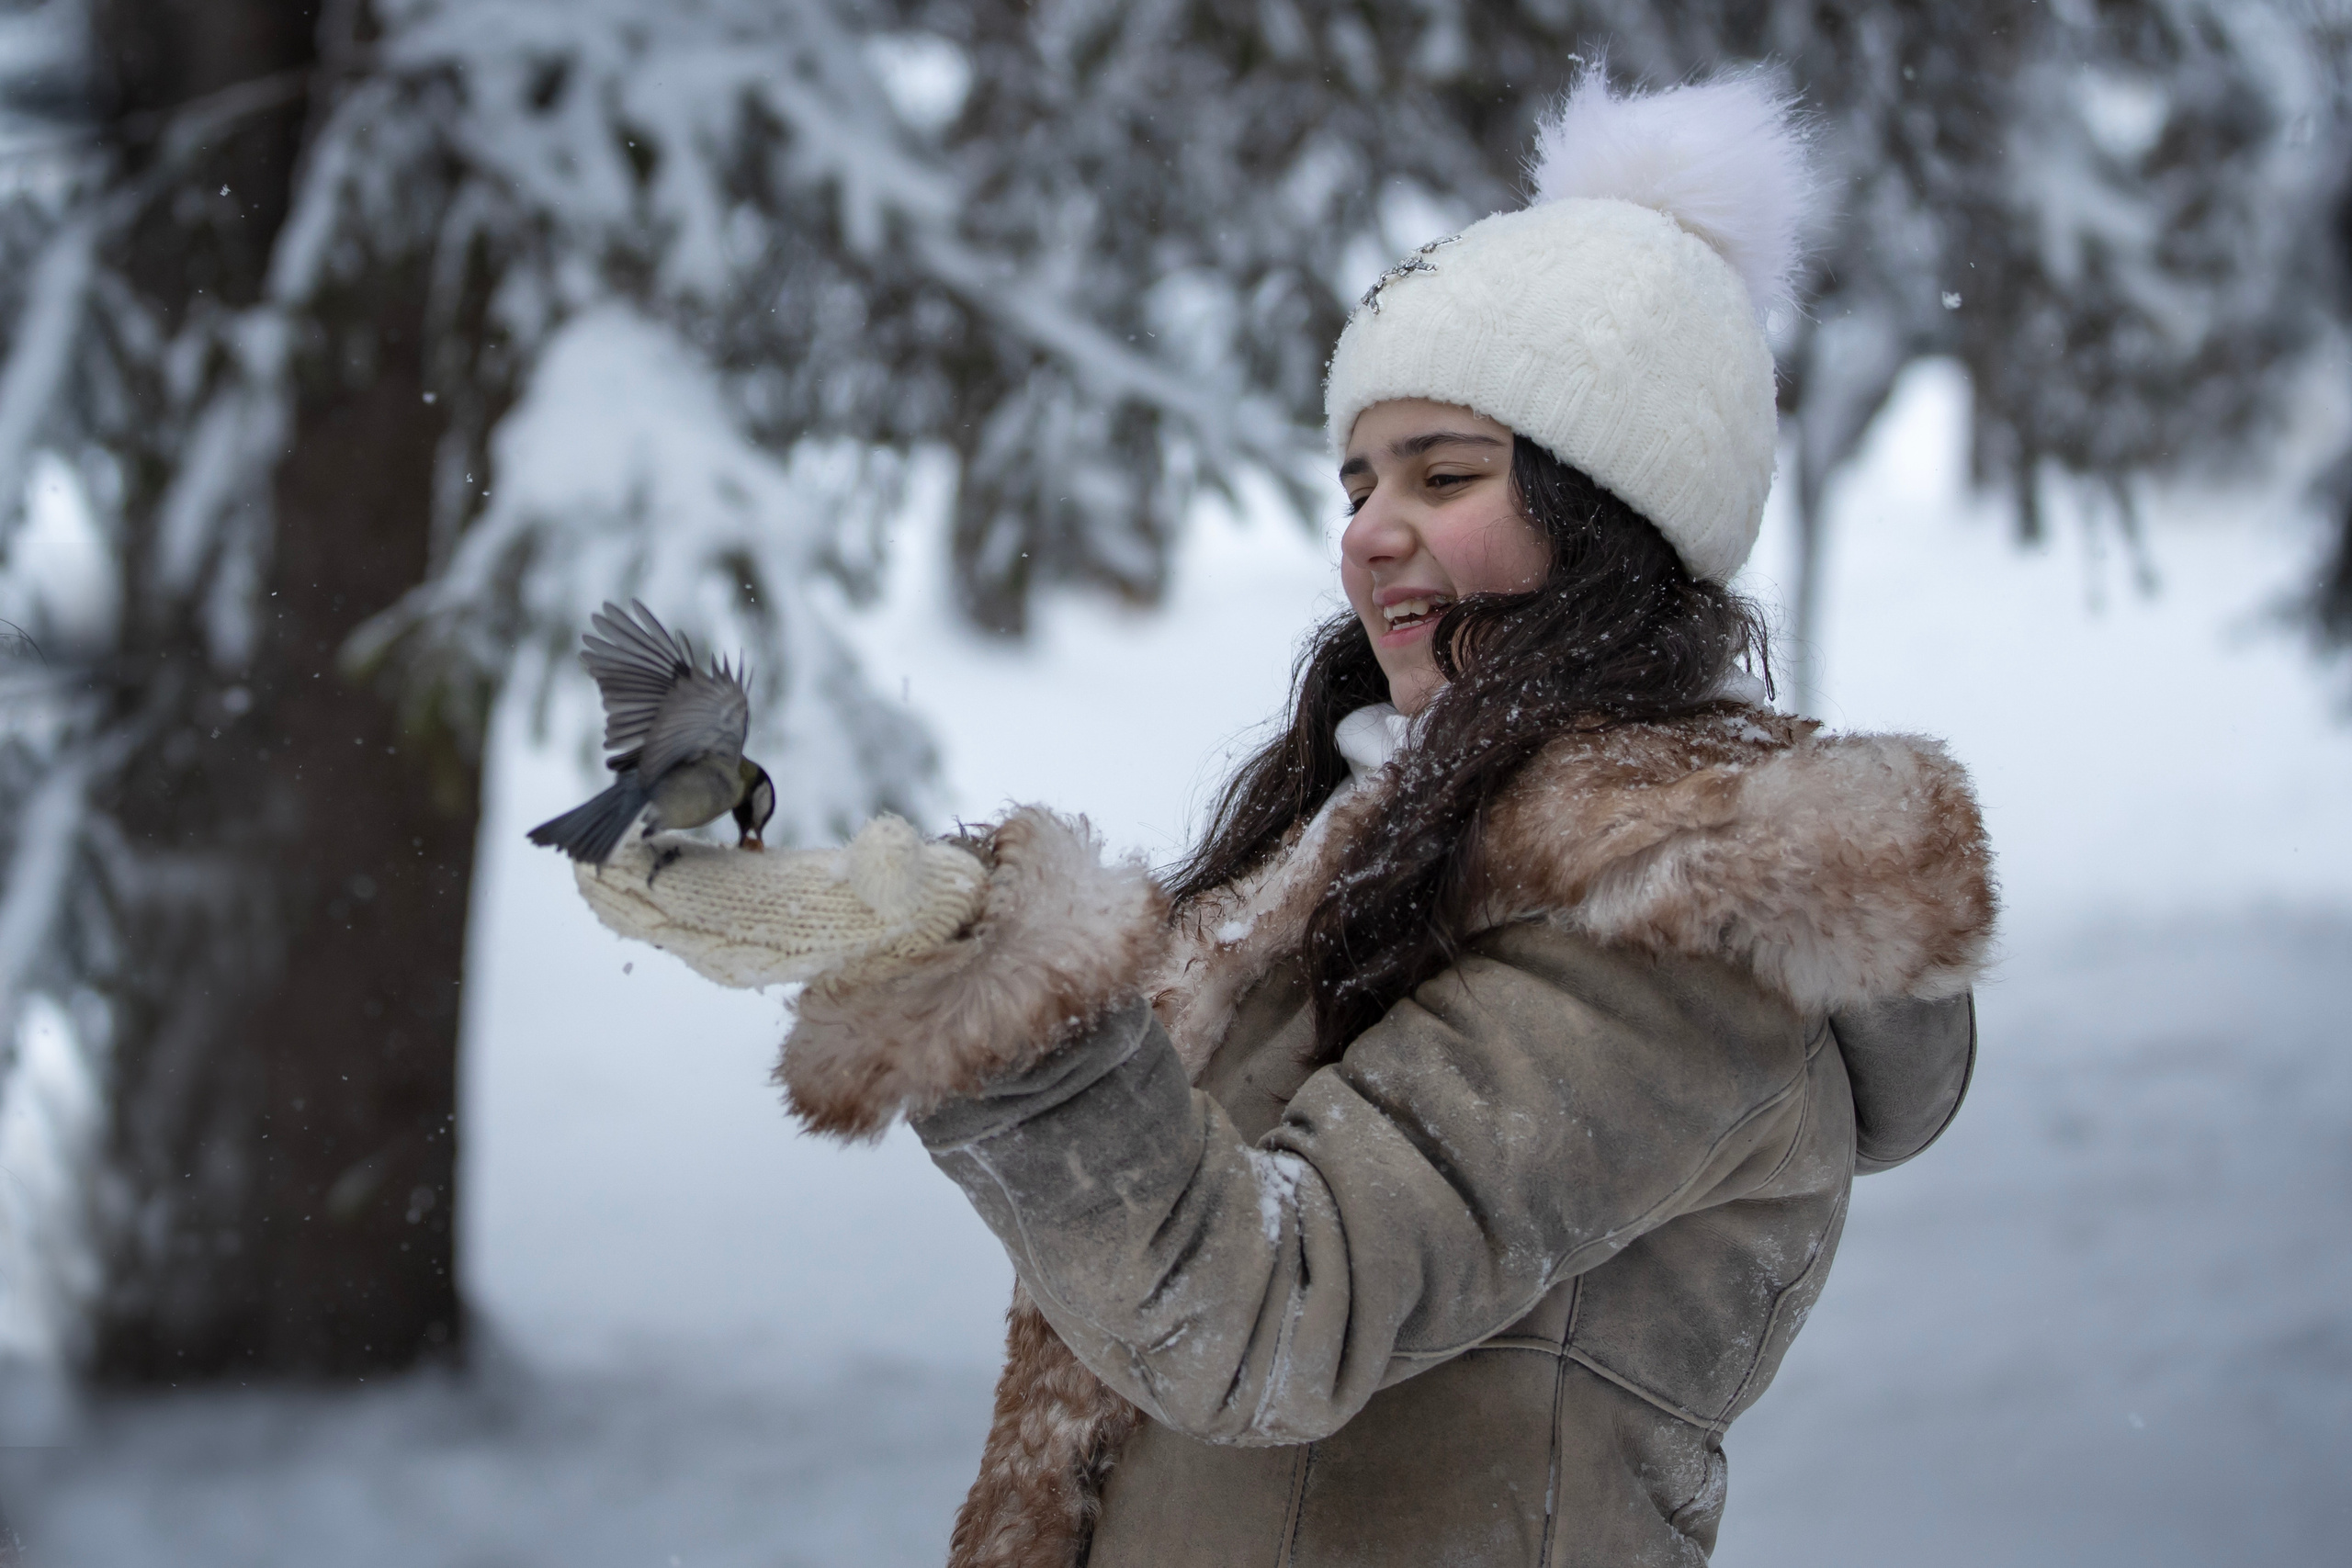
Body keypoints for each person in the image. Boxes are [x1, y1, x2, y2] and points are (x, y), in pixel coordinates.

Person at [578, 67, 1994, 1568]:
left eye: (1445, 475)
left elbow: (1265, 1312)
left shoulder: (1680, 936)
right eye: (1359, 481)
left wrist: (1010, 994)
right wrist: (939, 931)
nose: (1369, 535)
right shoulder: (1386, 839)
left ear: (1613, 522)